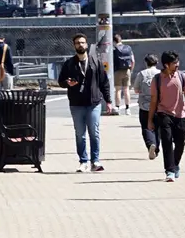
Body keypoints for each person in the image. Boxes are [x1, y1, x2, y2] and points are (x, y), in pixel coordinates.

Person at [57, 32, 111, 172]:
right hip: (76, 104)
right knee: (80, 134)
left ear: (86, 44)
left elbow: (104, 82)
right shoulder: (69, 64)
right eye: (77, 43)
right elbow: (61, 81)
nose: (80, 45)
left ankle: (95, 161)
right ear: (74, 46)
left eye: (82, 42)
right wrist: (67, 83)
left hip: (93, 103)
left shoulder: (96, 62)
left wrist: (108, 101)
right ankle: (83, 161)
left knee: (94, 132)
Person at [150, 48, 185, 182]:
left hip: (180, 115)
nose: (177, 65)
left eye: (177, 62)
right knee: (167, 141)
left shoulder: (182, 77)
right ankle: (169, 170)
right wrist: (150, 120)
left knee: (180, 142)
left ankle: (175, 164)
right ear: (166, 65)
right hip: (164, 113)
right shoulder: (157, 79)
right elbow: (154, 100)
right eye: (174, 63)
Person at [137, 53, 161, 160]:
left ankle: (150, 144)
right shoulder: (161, 74)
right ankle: (156, 148)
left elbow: (136, 89)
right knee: (158, 128)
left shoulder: (141, 74)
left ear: (146, 63)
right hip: (159, 106)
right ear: (157, 63)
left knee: (146, 127)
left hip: (144, 105)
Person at [112, 31, 135, 110]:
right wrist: (130, 70)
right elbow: (133, 60)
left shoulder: (114, 50)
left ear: (114, 41)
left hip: (117, 71)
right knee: (126, 89)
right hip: (127, 70)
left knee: (118, 90)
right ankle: (127, 108)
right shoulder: (128, 48)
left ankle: (117, 107)